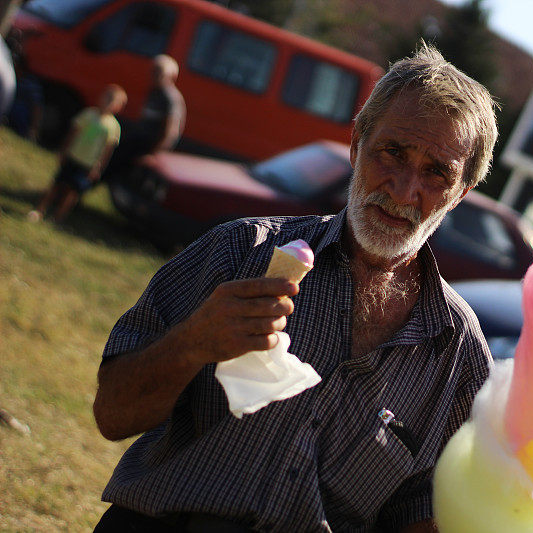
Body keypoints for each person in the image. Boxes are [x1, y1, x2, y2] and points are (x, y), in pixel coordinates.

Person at [93, 44, 498, 532]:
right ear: (356, 145)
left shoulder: (460, 358)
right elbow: (113, 413)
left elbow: (423, 518)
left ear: (460, 195)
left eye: (437, 173)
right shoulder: (241, 251)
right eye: (392, 152)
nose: (404, 189)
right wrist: (194, 342)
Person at [28, 84, 126, 222]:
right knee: (56, 184)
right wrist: (63, 151)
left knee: (73, 191)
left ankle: (58, 217)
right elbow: (73, 133)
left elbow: (107, 150)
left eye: (112, 100)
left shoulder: (114, 127)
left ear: (119, 107)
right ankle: (39, 210)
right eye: (107, 97)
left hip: (87, 164)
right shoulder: (88, 114)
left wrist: (98, 167)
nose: (108, 102)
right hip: (73, 156)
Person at [103, 54, 185, 179]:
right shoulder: (154, 92)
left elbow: (170, 132)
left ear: (170, 76)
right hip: (138, 139)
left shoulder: (170, 98)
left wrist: (154, 154)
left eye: (159, 72)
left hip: (148, 146)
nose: (154, 75)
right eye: (154, 71)